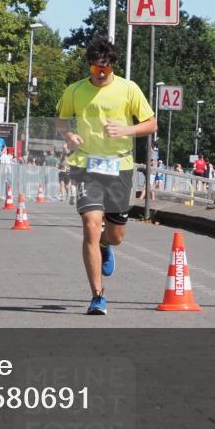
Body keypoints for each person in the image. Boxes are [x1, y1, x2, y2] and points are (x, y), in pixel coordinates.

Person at [56, 36, 157, 315]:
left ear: (113, 66)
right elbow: (61, 120)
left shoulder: (129, 89)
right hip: (85, 166)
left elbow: (151, 124)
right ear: (89, 65)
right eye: (95, 68)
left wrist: (126, 130)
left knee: (116, 235)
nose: (100, 73)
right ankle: (97, 296)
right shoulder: (75, 90)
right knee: (90, 225)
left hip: (119, 167)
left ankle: (105, 244)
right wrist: (69, 135)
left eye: (106, 68)